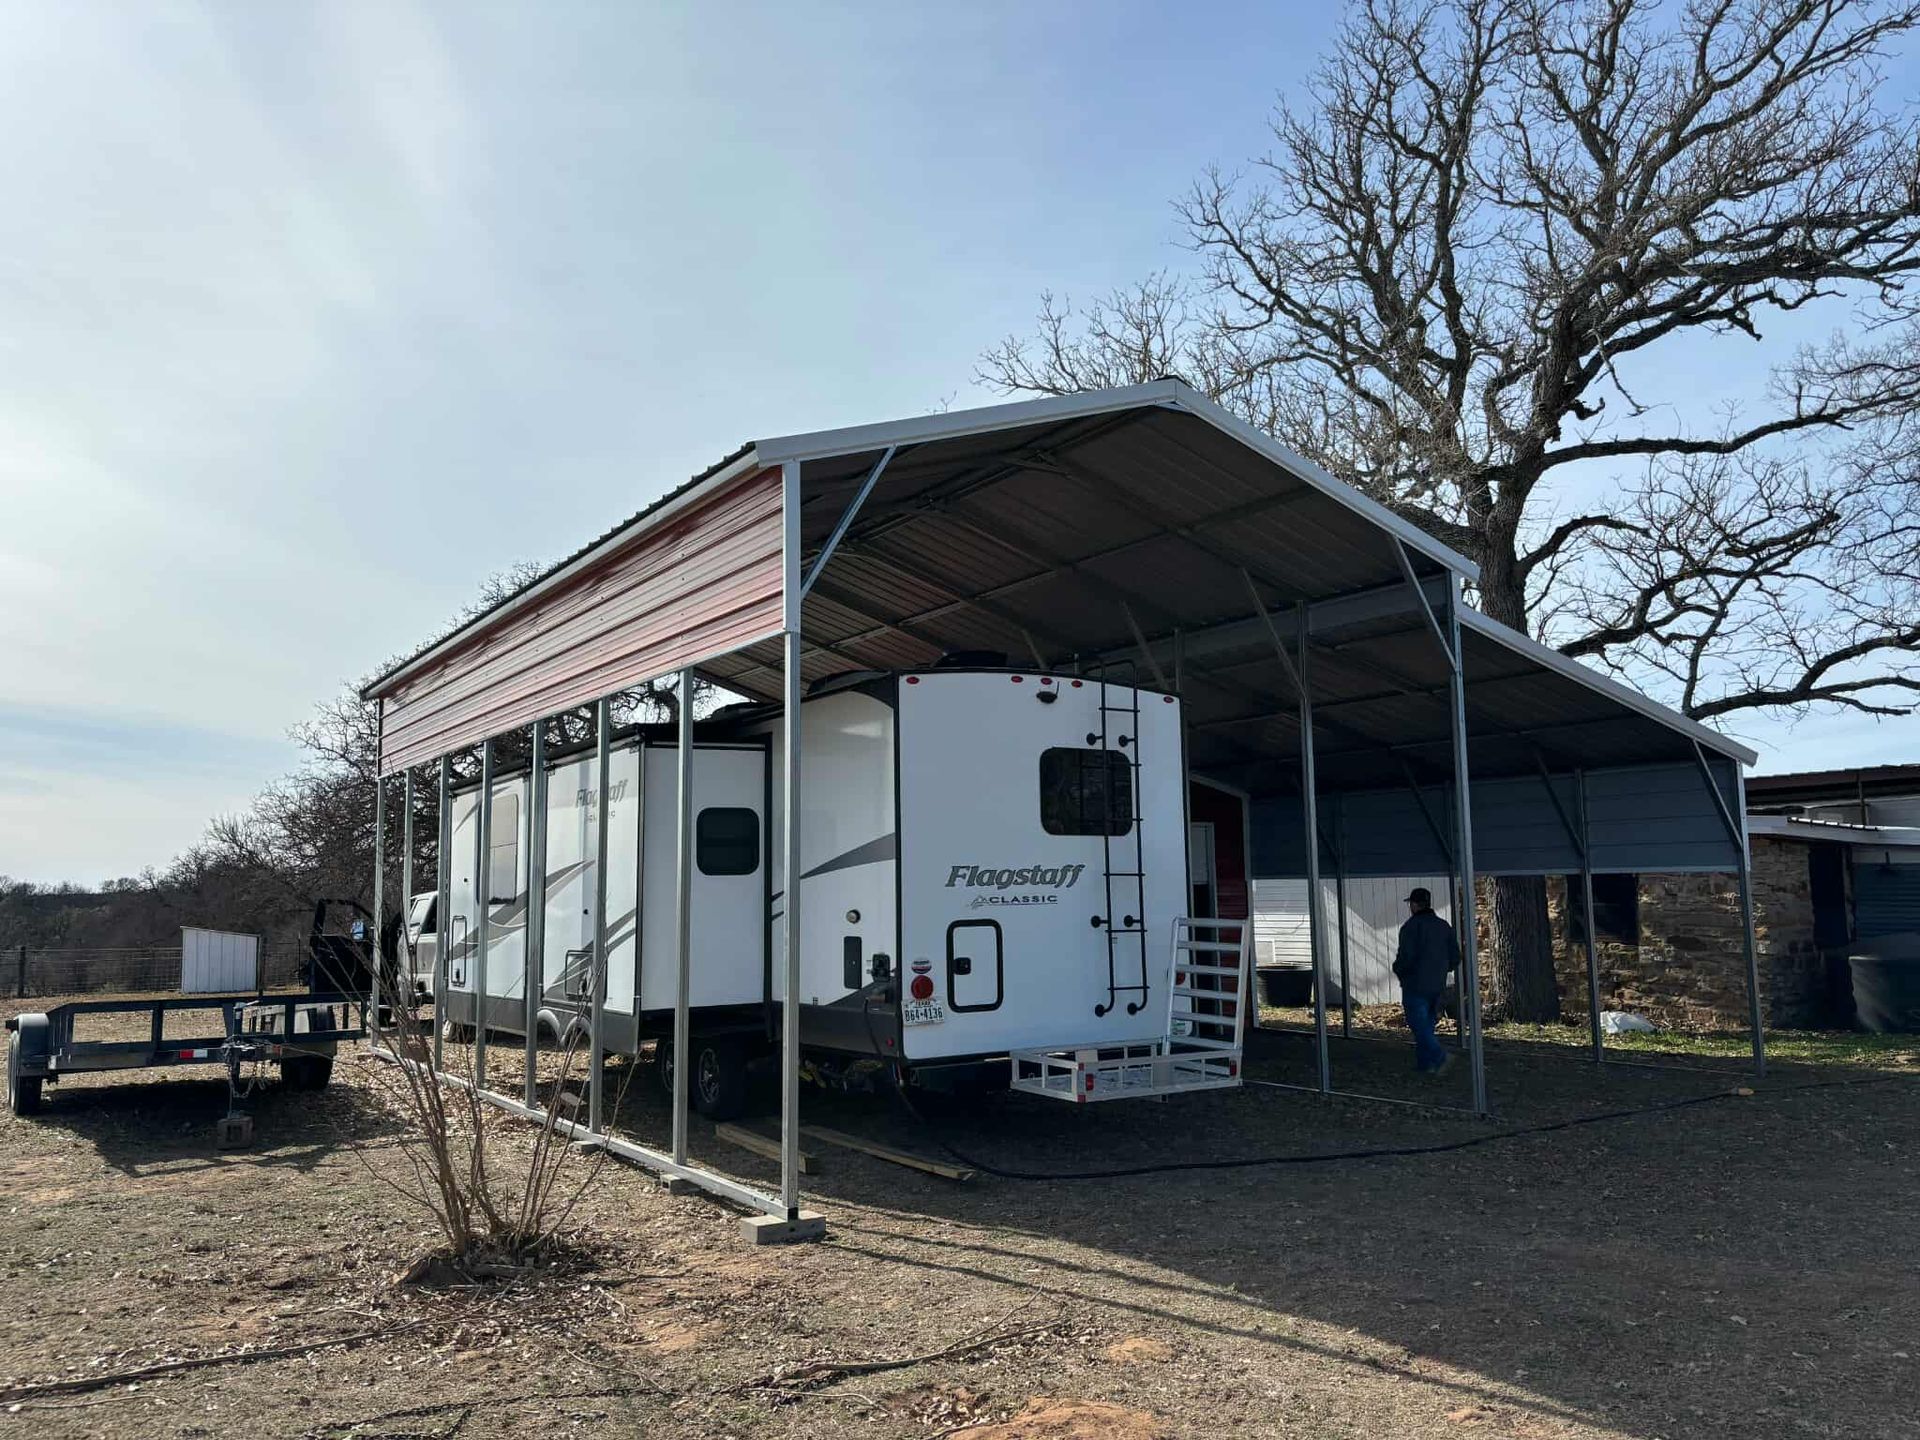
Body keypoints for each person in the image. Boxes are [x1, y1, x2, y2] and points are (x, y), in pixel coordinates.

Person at [1392, 887, 1460, 1075]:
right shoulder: (1444, 926)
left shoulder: (1410, 927)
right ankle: (1425, 1064)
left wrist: (1398, 970)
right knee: (1427, 1025)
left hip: (1415, 983)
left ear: (1413, 905)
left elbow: (1406, 957)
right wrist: (1441, 969)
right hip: (1437, 984)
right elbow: (1455, 956)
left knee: (1418, 1025)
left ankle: (1439, 1057)